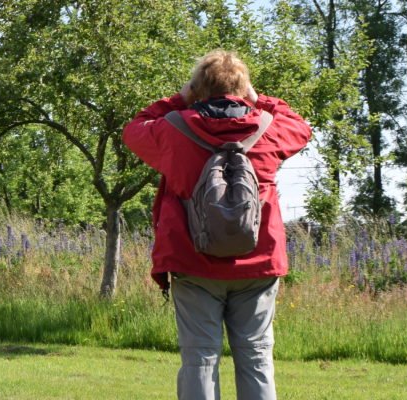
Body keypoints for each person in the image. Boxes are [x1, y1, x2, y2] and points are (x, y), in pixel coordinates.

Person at [121, 50, 312, 400]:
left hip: (193, 260)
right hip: (258, 260)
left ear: (197, 89)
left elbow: (133, 130)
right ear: (244, 89)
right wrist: (260, 99)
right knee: (256, 357)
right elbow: (301, 127)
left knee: (200, 360)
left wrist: (178, 99)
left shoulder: (173, 128)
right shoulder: (269, 128)